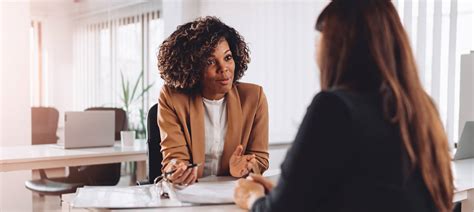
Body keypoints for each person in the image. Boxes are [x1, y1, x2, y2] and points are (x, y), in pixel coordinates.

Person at [234, 1, 453, 211]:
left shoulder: (334, 108)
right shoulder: (422, 108)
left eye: (318, 42)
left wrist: (253, 198)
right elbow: (369, 196)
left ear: (335, 47)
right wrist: (286, 194)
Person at [157, 16, 269, 186]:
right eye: (210, 61)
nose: (223, 68)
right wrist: (176, 169)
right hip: (190, 194)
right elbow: (173, 158)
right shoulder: (172, 98)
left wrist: (246, 167)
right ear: (192, 67)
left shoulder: (254, 97)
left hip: (232, 195)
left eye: (227, 57)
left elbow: (260, 159)